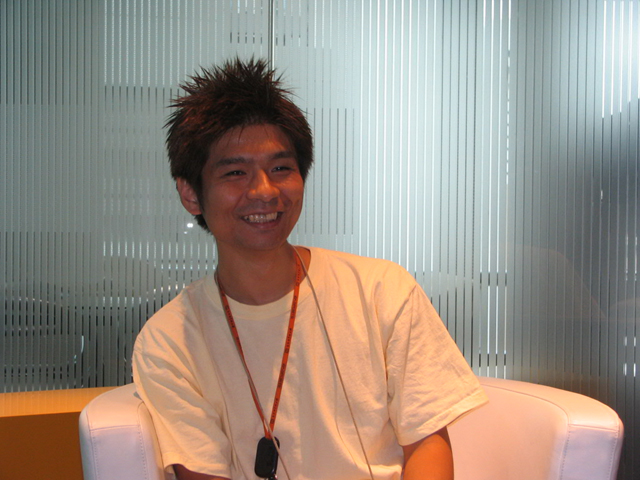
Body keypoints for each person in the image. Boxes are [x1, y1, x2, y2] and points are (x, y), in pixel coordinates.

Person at [132, 57, 488, 480]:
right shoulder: (169, 341)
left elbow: (427, 443)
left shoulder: (381, 291)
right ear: (191, 194)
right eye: (235, 172)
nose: (264, 191)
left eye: (280, 168)